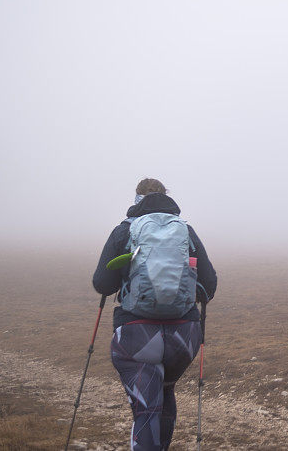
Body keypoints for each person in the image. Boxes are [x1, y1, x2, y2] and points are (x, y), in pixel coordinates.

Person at [92, 178, 217, 451]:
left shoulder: (124, 231)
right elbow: (209, 286)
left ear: (137, 198)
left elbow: (102, 284)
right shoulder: (186, 231)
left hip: (137, 334)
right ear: (166, 197)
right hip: (183, 336)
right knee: (165, 390)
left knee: (147, 408)